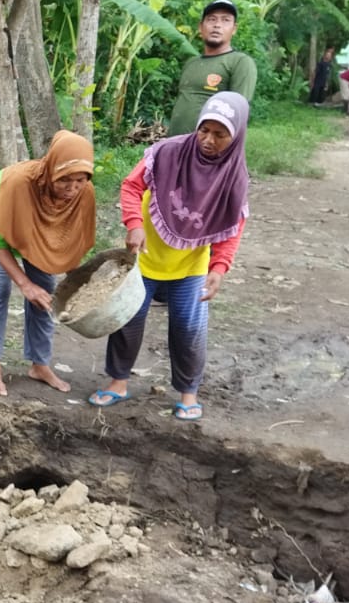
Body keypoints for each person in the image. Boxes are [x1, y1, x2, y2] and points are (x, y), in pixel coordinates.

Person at [89, 92, 250, 422]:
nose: (208, 140)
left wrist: (219, 266)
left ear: (236, 137)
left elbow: (234, 224)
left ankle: (188, 393)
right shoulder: (168, 152)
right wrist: (134, 225)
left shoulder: (234, 175)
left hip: (190, 266)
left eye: (220, 135)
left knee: (188, 327)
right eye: (204, 130)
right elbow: (132, 186)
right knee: (128, 320)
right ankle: (118, 381)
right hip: (146, 258)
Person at [0, 131, 96, 397]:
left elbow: (71, 238)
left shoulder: (84, 194)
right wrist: (24, 284)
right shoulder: (19, 184)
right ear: (52, 170)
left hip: (41, 229)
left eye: (80, 180)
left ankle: (40, 364)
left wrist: (79, 281)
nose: (72, 189)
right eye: (65, 180)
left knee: (45, 292)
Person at [168, 0, 257, 137]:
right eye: (212, 19)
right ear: (201, 27)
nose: (217, 25)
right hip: (175, 145)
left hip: (208, 150)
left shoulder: (240, 62)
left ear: (234, 29)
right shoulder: (192, 62)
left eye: (225, 20)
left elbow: (239, 113)